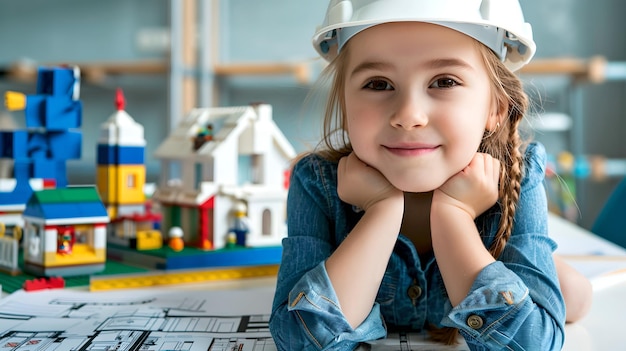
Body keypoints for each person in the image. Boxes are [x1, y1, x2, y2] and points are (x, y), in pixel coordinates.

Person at [269, 0, 591, 349]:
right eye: (378, 84)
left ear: (495, 107)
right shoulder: (316, 182)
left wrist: (454, 215)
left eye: (444, 81)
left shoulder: (519, 172)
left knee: (574, 295)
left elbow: (533, 344)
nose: (408, 115)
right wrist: (382, 210)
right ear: (345, 106)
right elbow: (298, 340)